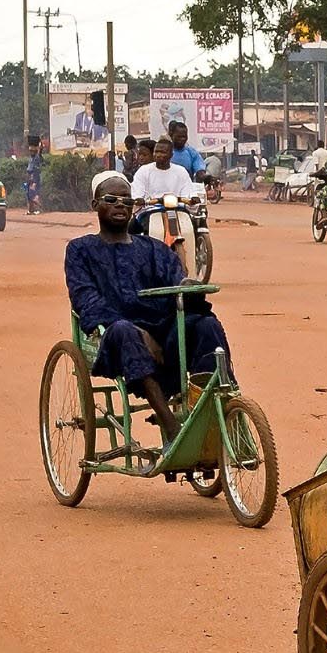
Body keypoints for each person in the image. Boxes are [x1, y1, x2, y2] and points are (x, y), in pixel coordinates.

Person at [65, 172, 233, 441]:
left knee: (206, 324)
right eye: (111, 199)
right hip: (112, 335)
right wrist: (139, 332)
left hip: (164, 330)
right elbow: (85, 299)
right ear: (95, 204)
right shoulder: (80, 250)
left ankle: (219, 409)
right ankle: (170, 426)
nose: (120, 205)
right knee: (124, 332)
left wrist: (190, 288)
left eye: (126, 200)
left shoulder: (155, 249)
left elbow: (176, 287)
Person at [131, 135, 201, 201]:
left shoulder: (181, 171)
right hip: (150, 210)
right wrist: (138, 199)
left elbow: (188, 192)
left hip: (178, 210)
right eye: (156, 152)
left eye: (162, 152)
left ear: (171, 154)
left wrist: (193, 198)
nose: (158, 155)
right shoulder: (143, 171)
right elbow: (137, 193)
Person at [24, 137, 44, 214]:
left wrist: (40, 143)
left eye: (32, 150)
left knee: (34, 194)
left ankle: (39, 209)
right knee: (28, 195)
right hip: (30, 176)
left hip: (34, 177)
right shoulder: (31, 158)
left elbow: (40, 150)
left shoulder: (37, 157)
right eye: (30, 150)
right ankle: (30, 210)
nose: (31, 151)